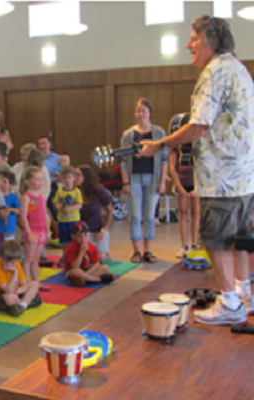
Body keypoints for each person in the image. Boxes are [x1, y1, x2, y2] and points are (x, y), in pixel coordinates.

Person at [139, 15, 254, 325]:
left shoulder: (214, 72)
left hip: (222, 178)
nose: (188, 44)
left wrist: (160, 144)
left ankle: (230, 303)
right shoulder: (240, 69)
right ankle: (244, 294)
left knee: (215, 239)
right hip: (246, 177)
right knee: (241, 238)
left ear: (211, 42)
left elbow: (198, 126)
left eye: (194, 38)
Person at [121, 98, 168, 264]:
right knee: (135, 215)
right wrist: (125, 182)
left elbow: (164, 159)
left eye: (143, 110)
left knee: (149, 215)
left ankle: (147, 250)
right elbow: (124, 160)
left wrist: (163, 181)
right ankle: (136, 251)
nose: (140, 114)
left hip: (152, 177)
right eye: (138, 111)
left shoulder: (159, 133)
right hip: (134, 177)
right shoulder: (128, 134)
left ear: (150, 113)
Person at [0, 240, 42, 317]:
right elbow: (8, 290)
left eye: (12, 263)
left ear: (17, 259)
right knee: (11, 297)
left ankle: (22, 306)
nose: (9, 265)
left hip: (14, 291)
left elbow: (23, 283)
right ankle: (26, 302)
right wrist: (14, 273)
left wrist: (18, 290)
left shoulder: (17, 264)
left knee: (35, 284)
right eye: (5, 261)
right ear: (1, 256)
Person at [74, 165, 113, 262]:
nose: (74, 177)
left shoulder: (99, 190)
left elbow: (110, 211)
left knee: (100, 258)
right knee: (82, 258)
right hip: (80, 233)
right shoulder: (74, 191)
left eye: (77, 175)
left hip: (97, 231)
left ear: (85, 176)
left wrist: (103, 230)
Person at [20, 166, 50, 289]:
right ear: (28, 181)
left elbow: (44, 214)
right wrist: (29, 233)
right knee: (28, 258)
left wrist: (47, 231)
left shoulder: (41, 195)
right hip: (31, 231)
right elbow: (23, 217)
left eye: (42, 179)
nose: (40, 182)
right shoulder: (26, 197)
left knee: (36, 259)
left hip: (41, 230)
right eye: (37, 179)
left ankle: (35, 282)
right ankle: (26, 282)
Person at [169, 147, 200, 258]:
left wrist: (197, 187)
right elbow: (172, 166)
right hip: (181, 182)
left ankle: (195, 245)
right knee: (183, 213)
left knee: (196, 213)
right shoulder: (177, 146)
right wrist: (179, 186)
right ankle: (184, 246)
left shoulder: (198, 144)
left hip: (196, 182)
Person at [65, 221, 114, 287]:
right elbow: (75, 267)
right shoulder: (70, 247)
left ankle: (84, 279)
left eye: (85, 235)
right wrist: (81, 252)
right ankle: (99, 279)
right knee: (77, 272)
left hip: (86, 270)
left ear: (89, 234)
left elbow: (96, 263)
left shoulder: (91, 246)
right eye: (79, 236)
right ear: (73, 236)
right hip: (73, 271)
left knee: (105, 268)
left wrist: (88, 273)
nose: (83, 238)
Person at [53, 166, 83, 265]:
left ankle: (74, 257)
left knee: (74, 240)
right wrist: (59, 206)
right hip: (62, 220)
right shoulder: (60, 190)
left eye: (69, 177)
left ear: (74, 177)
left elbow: (80, 204)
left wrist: (71, 208)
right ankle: (65, 256)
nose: (67, 180)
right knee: (64, 241)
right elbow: (56, 203)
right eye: (64, 178)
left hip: (74, 220)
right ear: (61, 178)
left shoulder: (76, 191)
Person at [37, 136, 61, 221]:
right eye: (39, 144)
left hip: (56, 186)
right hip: (42, 186)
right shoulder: (37, 160)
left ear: (49, 144)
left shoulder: (58, 158)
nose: (41, 146)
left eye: (44, 143)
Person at [0, 170, 20, 241]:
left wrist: (10, 209)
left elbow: (19, 211)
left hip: (9, 229)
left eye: (4, 181)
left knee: (8, 248)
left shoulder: (13, 197)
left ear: (10, 185)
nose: (1, 183)